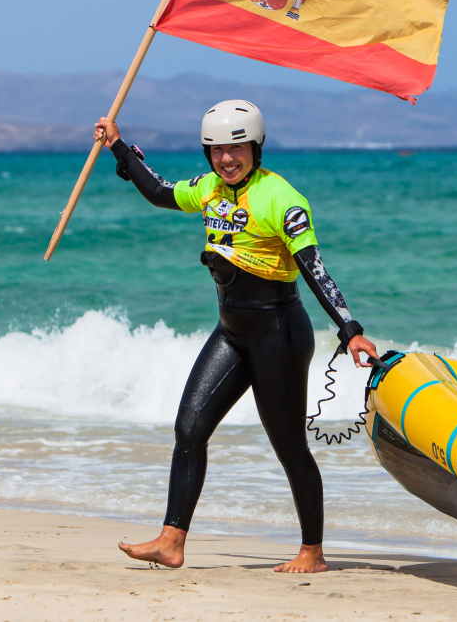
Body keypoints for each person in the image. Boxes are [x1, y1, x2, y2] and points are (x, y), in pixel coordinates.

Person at [94, 99, 378, 575]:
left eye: (236, 149)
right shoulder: (208, 189)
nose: (226, 159)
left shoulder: (282, 198)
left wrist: (349, 330)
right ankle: (171, 540)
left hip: (278, 334)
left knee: (289, 448)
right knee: (189, 430)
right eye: (217, 150)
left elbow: (314, 269)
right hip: (232, 332)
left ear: (255, 147)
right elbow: (160, 192)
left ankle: (312, 551)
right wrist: (119, 147)